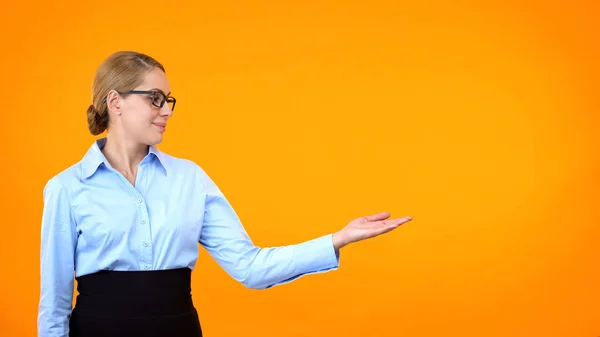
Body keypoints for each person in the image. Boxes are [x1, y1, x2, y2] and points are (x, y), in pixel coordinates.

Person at [37, 50, 413, 337]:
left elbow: (250, 267)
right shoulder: (67, 188)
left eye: (169, 100)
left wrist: (338, 239)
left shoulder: (190, 178)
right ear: (115, 102)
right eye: (155, 98)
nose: (166, 110)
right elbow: (54, 305)